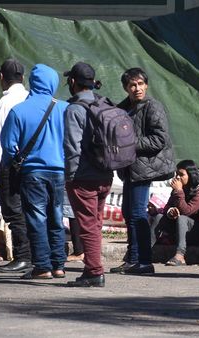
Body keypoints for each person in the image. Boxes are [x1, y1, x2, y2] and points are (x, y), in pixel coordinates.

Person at [1, 64, 69, 280]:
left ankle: (42, 266)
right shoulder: (64, 108)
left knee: (37, 218)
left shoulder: (18, 110)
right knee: (56, 217)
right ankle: (59, 265)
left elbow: (9, 146)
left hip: (32, 173)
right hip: (59, 172)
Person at [110, 67, 175, 275]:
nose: (137, 88)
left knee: (137, 213)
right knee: (128, 213)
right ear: (126, 88)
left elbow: (159, 139)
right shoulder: (125, 108)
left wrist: (129, 143)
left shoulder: (152, 106)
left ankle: (145, 262)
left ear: (146, 85)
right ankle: (133, 259)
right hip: (129, 168)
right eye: (132, 85)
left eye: (140, 84)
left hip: (143, 168)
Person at [63, 62, 113, 287]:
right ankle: (91, 269)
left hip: (83, 177)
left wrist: (70, 177)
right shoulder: (104, 103)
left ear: (72, 82)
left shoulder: (74, 109)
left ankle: (94, 271)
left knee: (87, 224)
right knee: (95, 223)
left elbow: (72, 147)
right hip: (106, 174)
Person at [0, 59, 32, 273]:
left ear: (1, 77)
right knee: (32, 211)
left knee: (13, 212)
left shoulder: (5, 102)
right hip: (32, 166)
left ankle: (22, 256)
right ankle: (37, 256)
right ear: (22, 77)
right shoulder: (32, 98)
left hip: (9, 164)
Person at [154, 160, 199, 266]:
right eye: (176, 174)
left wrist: (179, 191)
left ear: (191, 175)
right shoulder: (179, 190)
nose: (177, 178)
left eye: (181, 175)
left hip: (197, 233)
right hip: (179, 231)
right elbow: (167, 207)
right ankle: (145, 251)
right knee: (159, 217)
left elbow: (187, 212)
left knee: (182, 218)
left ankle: (180, 255)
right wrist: (170, 211)